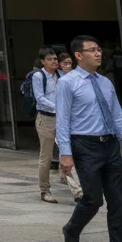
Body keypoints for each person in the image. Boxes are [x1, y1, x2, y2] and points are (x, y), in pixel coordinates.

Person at [56, 35, 122, 242]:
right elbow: (62, 121)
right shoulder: (67, 82)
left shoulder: (105, 82)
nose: (98, 53)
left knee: (118, 205)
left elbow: (118, 117)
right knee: (93, 200)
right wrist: (65, 154)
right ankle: (72, 230)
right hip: (84, 145)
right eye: (92, 50)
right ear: (78, 56)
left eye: (99, 49)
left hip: (110, 145)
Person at [30, 47, 82, 204]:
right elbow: (40, 98)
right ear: (42, 61)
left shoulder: (61, 75)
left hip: (61, 119)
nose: (53, 62)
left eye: (54, 59)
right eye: (50, 59)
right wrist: (58, 107)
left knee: (67, 152)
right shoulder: (38, 76)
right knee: (45, 157)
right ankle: (44, 190)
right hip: (45, 119)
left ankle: (77, 190)